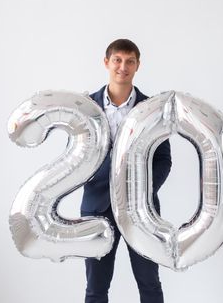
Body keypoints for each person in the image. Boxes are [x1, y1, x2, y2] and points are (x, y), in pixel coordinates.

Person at [81, 39, 172, 303]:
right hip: (97, 209)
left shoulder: (152, 108)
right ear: (106, 62)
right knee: (96, 288)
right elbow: (79, 158)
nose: (123, 67)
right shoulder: (86, 107)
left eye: (130, 61)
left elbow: (164, 160)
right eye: (118, 60)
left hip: (142, 212)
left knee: (150, 285)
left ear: (138, 65)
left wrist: (140, 190)